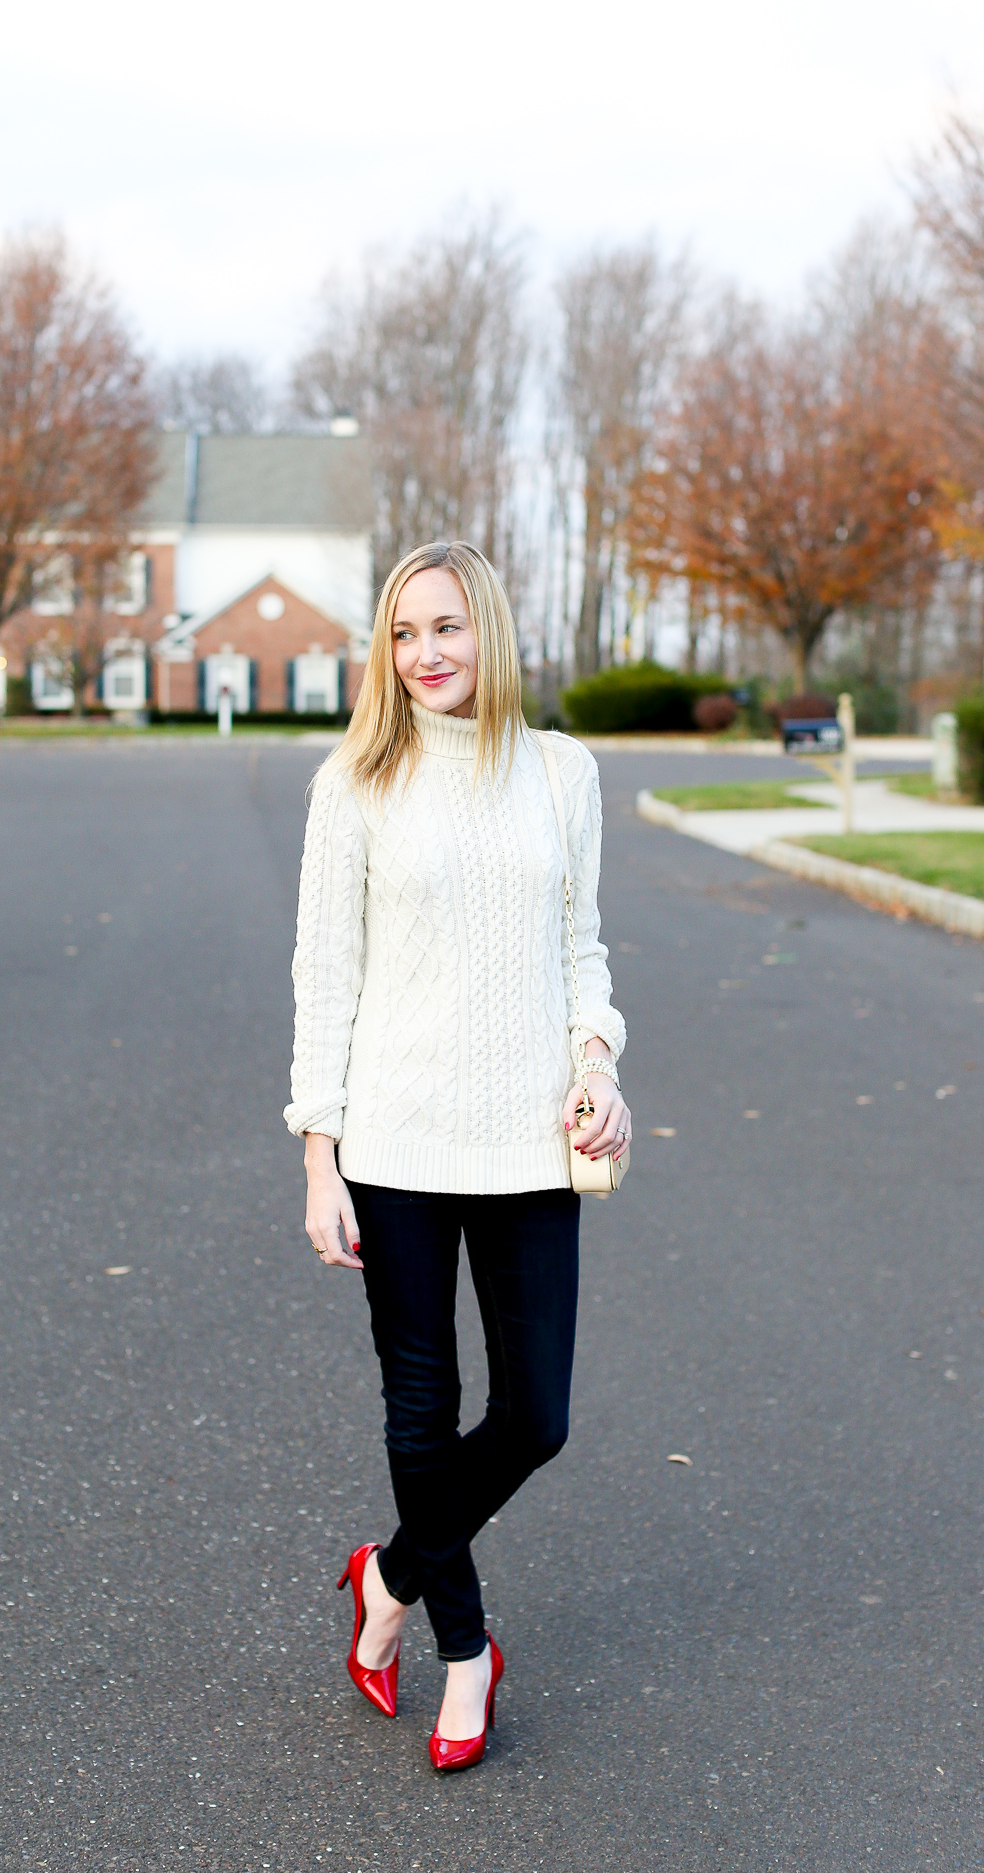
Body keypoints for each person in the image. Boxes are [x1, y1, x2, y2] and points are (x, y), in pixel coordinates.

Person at [284, 541, 630, 1772]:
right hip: (397, 1139)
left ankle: (387, 1572)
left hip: (532, 1139)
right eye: (401, 633)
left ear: (489, 630)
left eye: (446, 627)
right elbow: (326, 976)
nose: (424, 653)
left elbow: (580, 945)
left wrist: (600, 1066)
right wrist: (320, 1156)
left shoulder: (561, 773)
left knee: (536, 1416)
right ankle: (465, 1650)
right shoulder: (357, 782)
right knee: (423, 1409)